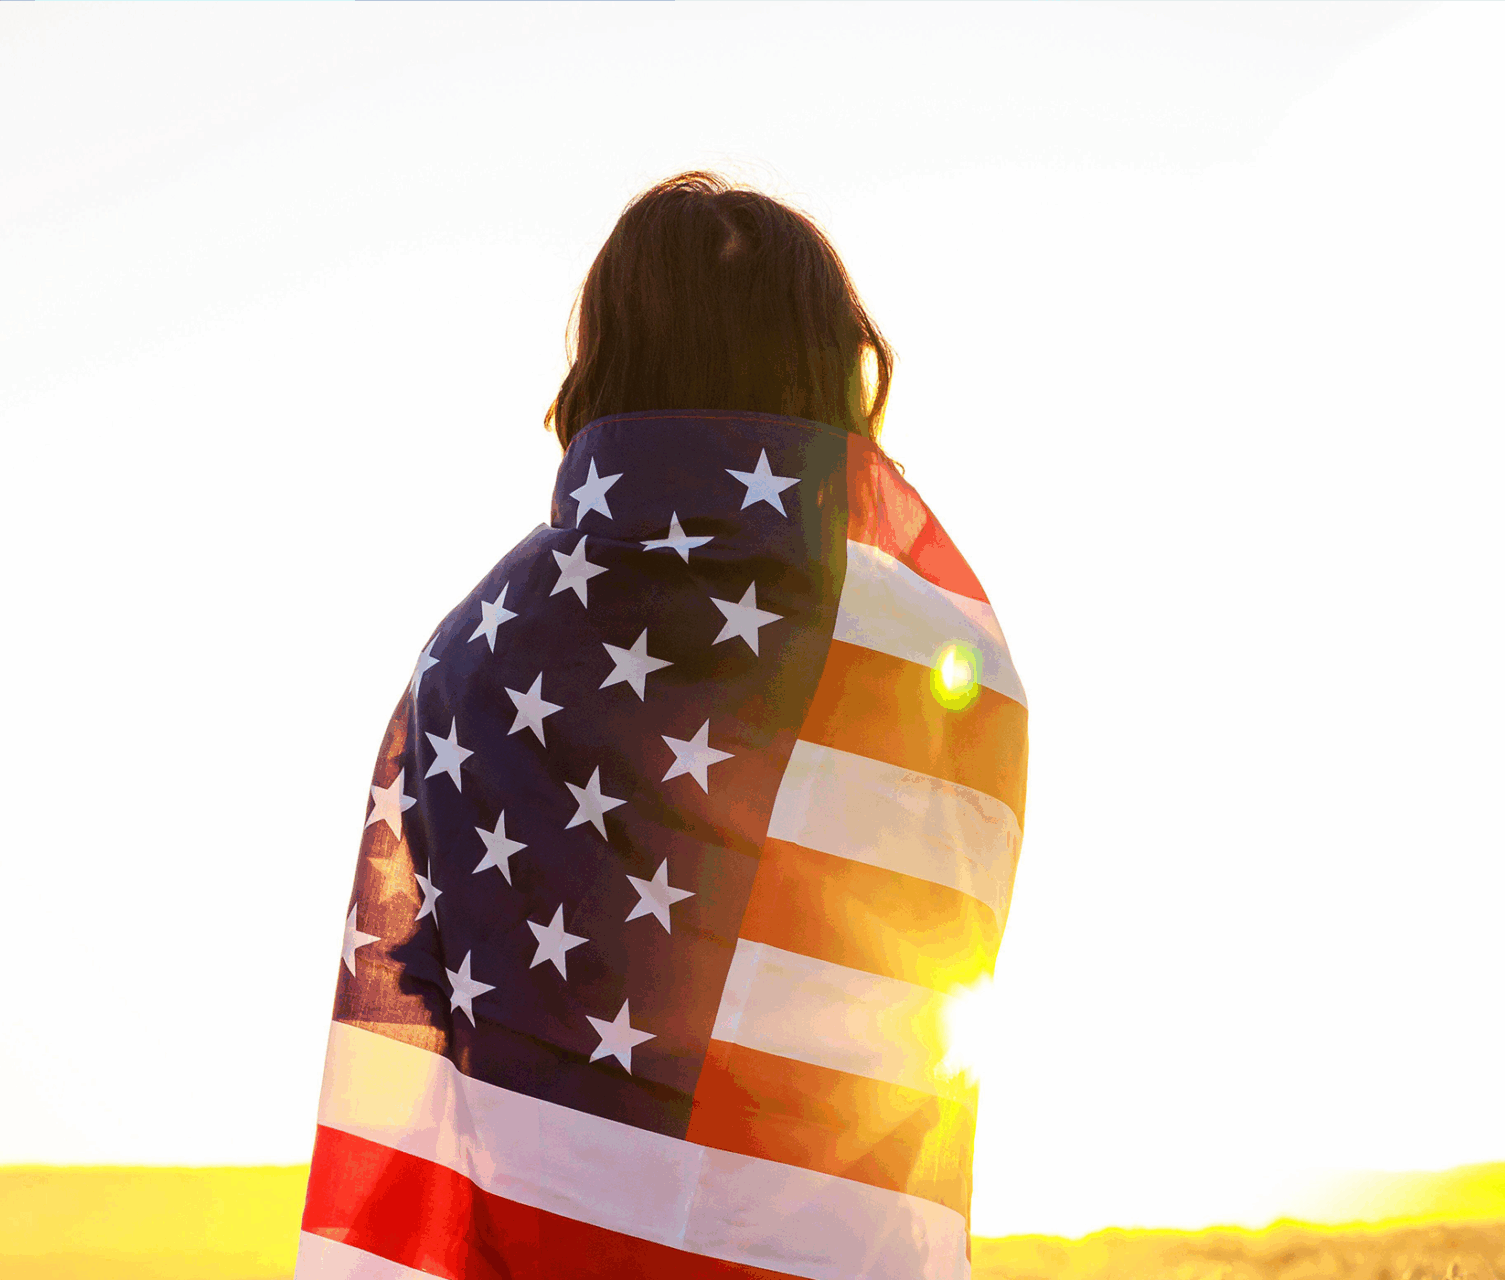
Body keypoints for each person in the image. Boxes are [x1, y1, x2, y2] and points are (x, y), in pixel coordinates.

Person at [295, 172, 1029, 1280]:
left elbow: (433, 1010)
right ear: (834, 367)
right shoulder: (924, 649)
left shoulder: (474, 651)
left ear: (604, 364)